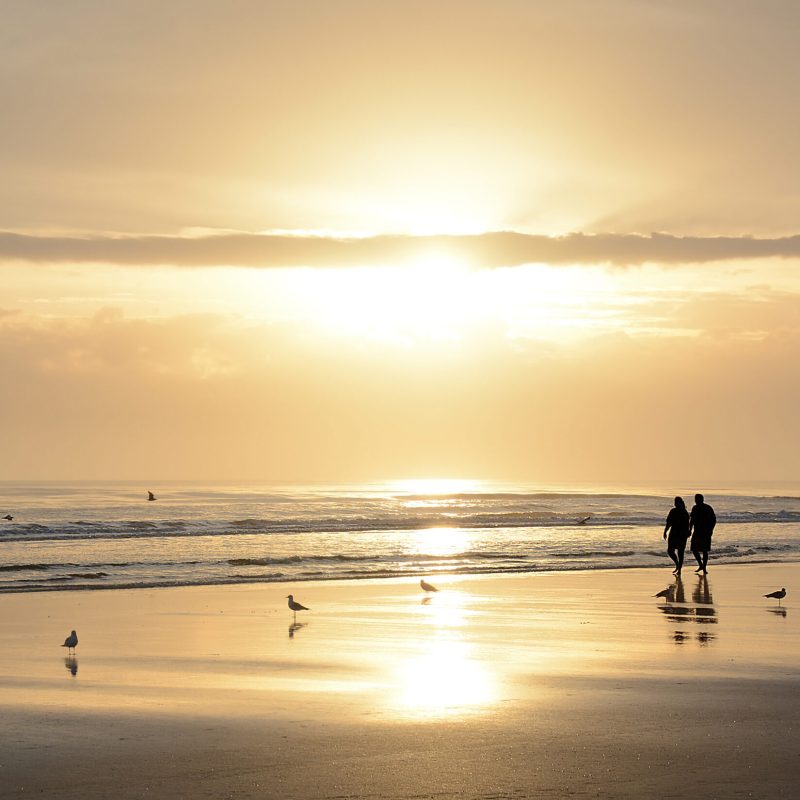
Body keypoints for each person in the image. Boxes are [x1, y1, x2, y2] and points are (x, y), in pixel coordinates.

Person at [689, 493, 716, 574]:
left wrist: (711, 530)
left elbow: (713, 520)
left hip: (705, 532)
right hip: (697, 531)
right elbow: (692, 520)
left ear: (701, 500)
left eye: (697, 499)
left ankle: (704, 568)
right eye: (695, 499)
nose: (696, 501)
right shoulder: (695, 508)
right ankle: (701, 565)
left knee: (705, 550)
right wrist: (690, 529)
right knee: (694, 549)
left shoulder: (707, 508)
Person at [663, 496, 690, 574]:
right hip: (674, 533)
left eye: (676, 502)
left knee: (680, 552)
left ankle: (679, 569)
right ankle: (677, 564)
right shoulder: (673, 511)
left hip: (681, 533)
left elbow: (687, 524)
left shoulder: (684, 512)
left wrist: (688, 531)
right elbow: (669, 523)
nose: (675, 504)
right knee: (670, 551)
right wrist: (665, 531)